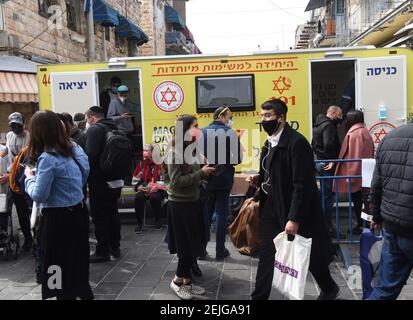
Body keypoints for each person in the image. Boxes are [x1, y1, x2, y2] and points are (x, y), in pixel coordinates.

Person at [249, 99, 339, 300]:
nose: (264, 120)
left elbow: (303, 184)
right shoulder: (269, 142)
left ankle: (329, 287)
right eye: (262, 116)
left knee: (310, 253)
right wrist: (259, 179)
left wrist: (294, 218)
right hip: (271, 208)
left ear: (281, 118)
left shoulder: (296, 143)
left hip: (294, 210)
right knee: (267, 255)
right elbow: (271, 171)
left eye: (268, 116)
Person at [24, 110, 93, 300]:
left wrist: (29, 179)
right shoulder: (73, 148)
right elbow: (84, 171)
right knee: (77, 261)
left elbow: (39, 194)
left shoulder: (47, 158)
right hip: (78, 213)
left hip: (57, 220)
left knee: (56, 266)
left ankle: (61, 296)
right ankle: (81, 292)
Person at [165, 114, 215, 300]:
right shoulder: (174, 153)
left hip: (193, 202)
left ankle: (187, 281)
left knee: (192, 245)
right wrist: (201, 173)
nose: (198, 129)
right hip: (179, 205)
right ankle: (178, 281)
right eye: (194, 126)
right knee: (185, 248)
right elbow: (176, 182)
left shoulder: (191, 150)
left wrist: (205, 169)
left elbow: (193, 174)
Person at [368, 122, 413, 300]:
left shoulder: (390, 138)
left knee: (385, 289)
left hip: (392, 224)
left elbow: (376, 184)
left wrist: (376, 215)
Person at [200, 106, 242, 260]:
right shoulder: (230, 132)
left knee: (206, 213)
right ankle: (219, 250)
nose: (230, 120)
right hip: (224, 179)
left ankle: (201, 250)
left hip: (206, 178)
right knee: (222, 214)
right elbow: (237, 159)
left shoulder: (202, 132)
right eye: (229, 117)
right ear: (221, 116)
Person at [85, 106, 123, 263]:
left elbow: (90, 156)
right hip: (116, 179)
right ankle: (115, 247)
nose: (87, 122)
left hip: (99, 181)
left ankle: (102, 251)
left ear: (92, 117)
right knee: (113, 214)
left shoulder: (95, 130)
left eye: (87, 119)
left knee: (100, 216)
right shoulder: (115, 128)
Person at [334, 110, 374, 235]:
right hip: (364, 172)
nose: (345, 120)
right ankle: (364, 224)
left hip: (357, 174)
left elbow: (354, 156)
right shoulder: (364, 131)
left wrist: (350, 176)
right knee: (363, 201)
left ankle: (362, 225)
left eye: (347, 118)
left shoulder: (356, 133)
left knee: (358, 201)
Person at [0, 112, 32, 251]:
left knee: (31, 209)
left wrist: (10, 175)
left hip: (25, 175)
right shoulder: (9, 135)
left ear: (23, 124)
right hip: (13, 178)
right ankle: (28, 239)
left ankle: (36, 235)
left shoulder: (29, 137)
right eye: (12, 125)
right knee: (21, 211)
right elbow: (7, 150)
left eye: (18, 125)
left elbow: (26, 160)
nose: (15, 127)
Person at [312, 106, 342, 235]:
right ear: (333, 113)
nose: (340, 118)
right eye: (339, 115)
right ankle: (327, 228)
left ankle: (322, 225)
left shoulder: (318, 125)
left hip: (320, 161)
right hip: (326, 163)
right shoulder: (329, 125)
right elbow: (329, 144)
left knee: (324, 196)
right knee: (328, 197)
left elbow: (313, 144)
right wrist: (331, 160)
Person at [133, 144, 166, 233]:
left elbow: (166, 179)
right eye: (144, 150)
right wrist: (138, 187)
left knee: (154, 197)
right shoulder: (142, 164)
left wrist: (155, 186)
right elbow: (136, 178)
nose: (145, 152)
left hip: (158, 189)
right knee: (138, 197)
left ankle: (157, 219)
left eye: (147, 150)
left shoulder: (161, 164)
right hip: (145, 188)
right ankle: (139, 223)